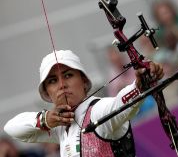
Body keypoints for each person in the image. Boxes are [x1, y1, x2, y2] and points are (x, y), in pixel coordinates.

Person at [4, 50, 164, 157]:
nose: (61, 84)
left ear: (84, 81)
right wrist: (45, 120)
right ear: (47, 92)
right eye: (53, 81)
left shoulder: (98, 111)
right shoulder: (59, 127)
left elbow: (119, 104)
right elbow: (12, 128)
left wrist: (139, 85)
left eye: (68, 75)